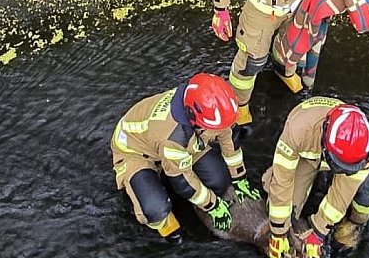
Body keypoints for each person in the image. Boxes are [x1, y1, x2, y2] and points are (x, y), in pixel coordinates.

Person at [109, 73, 262, 243]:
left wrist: (239, 177)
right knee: (155, 209)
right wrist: (213, 206)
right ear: (197, 121)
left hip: (179, 141)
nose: (222, 130)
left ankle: (173, 179)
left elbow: (227, 138)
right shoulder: (173, 138)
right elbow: (183, 182)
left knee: (219, 180)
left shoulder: (206, 105)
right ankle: (163, 223)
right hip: (135, 151)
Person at [263, 97, 369, 258]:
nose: (341, 171)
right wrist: (278, 233)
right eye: (339, 167)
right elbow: (282, 181)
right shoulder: (298, 130)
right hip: (307, 155)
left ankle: (355, 224)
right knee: (280, 209)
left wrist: (318, 232)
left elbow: (340, 197)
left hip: (340, 158)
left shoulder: (361, 150)